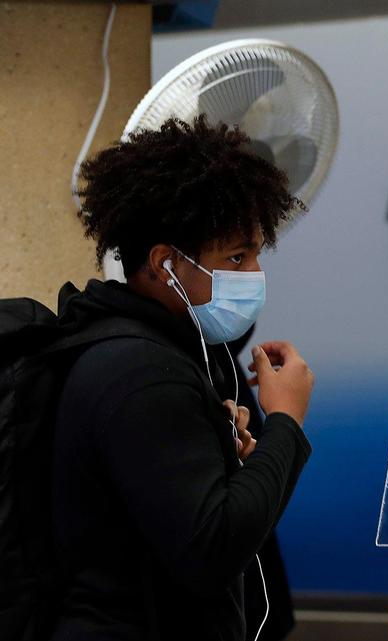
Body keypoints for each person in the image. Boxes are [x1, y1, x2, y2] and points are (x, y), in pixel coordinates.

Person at [50, 116, 315, 641]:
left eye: (257, 253)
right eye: (236, 256)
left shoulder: (173, 352)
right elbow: (212, 554)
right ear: (165, 263)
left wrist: (241, 459)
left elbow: (234, 533)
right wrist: (285, 420)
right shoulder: (142, 373)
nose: (253, 274)